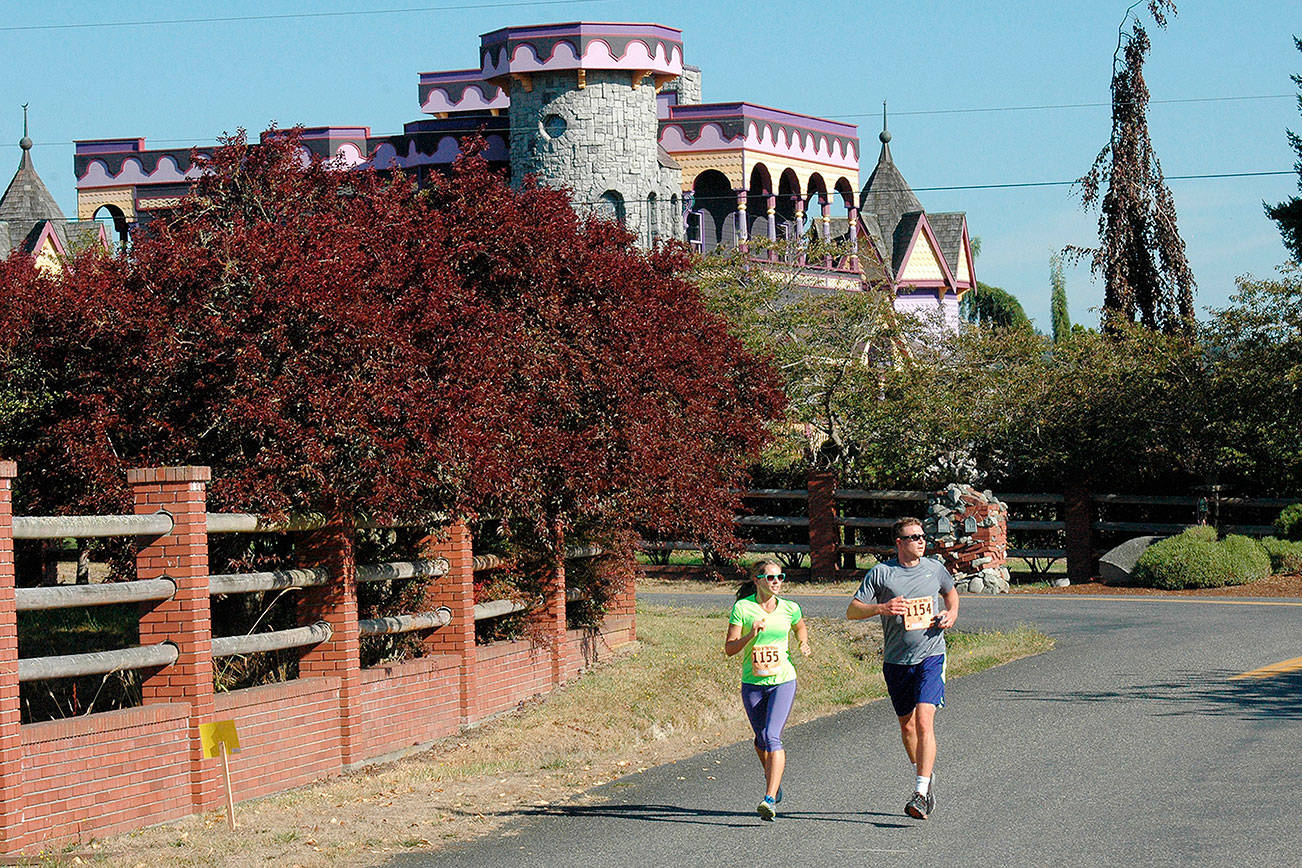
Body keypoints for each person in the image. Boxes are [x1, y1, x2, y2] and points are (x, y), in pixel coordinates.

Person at [846, 517, 958, 820]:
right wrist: (882, 608)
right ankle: (924, 774)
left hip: (932, 655)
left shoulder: (935, 568)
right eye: (914, 537)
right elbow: (852, 610)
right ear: (899, 543)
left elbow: (951, 594)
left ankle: (920, 793)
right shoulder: (882, 574)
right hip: (896, 660)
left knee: (924, 720)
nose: (921, 541)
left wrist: (951, 614)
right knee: (907, 725)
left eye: (923, 536)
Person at [724, 559, 811, 821]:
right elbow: (729, 649)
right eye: (771, 578)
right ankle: (773, 776)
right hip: (753, 682)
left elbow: (800, 626)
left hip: (783, 679)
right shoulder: (743, 608)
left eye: (780, 577)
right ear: (757, 580)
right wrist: (751, 635)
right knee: (761, 740)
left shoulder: (789, 608)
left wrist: (803, 643)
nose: (777, 582)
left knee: (773, 736)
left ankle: (769, 798)